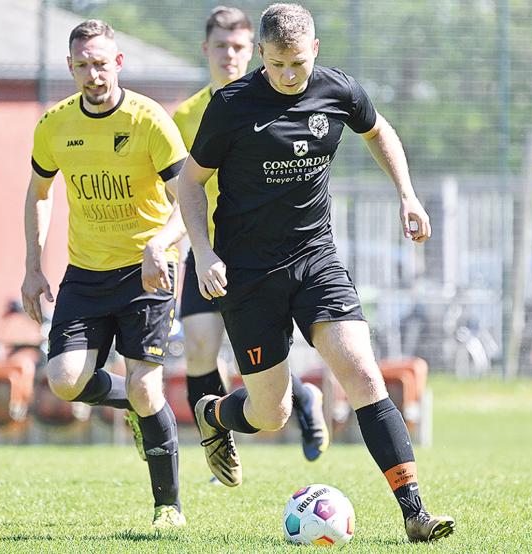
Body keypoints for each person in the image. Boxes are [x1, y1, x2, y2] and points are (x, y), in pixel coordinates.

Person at [176, 3, 455, 543]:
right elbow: (189, 184)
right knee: (271, 413)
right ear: (261, 54)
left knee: (363, 375)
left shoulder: (340, 90)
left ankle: (415, 513)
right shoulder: (232, 105)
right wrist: (204, 253)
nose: (287, 76)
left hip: (315, 262)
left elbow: (379, 132)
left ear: (316, 51)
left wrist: (407, 195)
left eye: (297, 64)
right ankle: (214, 415)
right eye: (277, 64)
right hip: (249, 276)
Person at [21, 19, 187, 529]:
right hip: (86, 274)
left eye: (101, 63)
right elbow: (38, 194)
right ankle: (142, 405)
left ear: (118, 62)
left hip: (147, 272)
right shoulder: (55, 124)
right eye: (82, 65)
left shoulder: (150, 120)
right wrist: (32, 267)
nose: (93, 74)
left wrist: (160, 242)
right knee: (65, 381)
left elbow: (192, 202)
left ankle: (169, 508)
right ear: (70, 67)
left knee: (145, 386)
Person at [172, 5, 328, 467]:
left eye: (239, 47)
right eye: (221, 46)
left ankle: (303, 399)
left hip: (261, 253)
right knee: (199, 346)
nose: (229, 55)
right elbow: (182, 188)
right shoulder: (186, 116)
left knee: (252, 360)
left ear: (254, 51)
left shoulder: (273, 100)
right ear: (206, 50)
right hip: (207, 250)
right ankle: (219, 444)